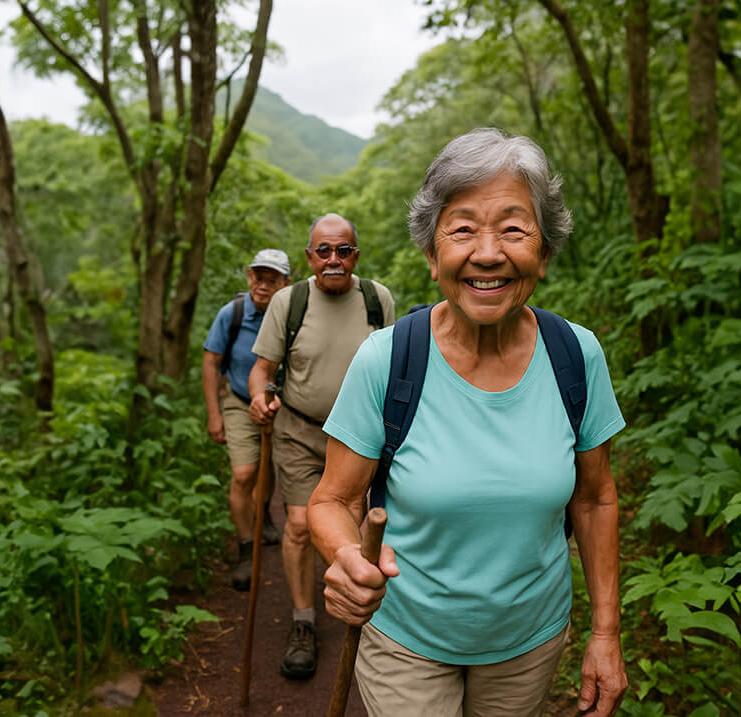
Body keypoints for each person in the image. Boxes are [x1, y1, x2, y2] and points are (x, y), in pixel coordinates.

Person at [308, 128, 629, 717]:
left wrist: (605, 634)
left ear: (545, 251)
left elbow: (595, 500)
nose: (487, 253)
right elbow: (331, 499)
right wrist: (345, 556)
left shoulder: (575, 355)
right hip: (405, 637)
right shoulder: (387, 360)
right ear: (433, 256)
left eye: (513, 228)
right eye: (462, 230)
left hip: (528, 644)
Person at [247, 214, 395, 680]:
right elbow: (262, 368)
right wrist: (256, 396)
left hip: (361, 436)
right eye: (324, 251)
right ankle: (303, 622)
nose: (334, 259)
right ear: (310, 256)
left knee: (349, 522)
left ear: (356, 254)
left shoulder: (378, 299)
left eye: (343, 250)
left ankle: (356, 606)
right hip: (299, 430)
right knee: (297, 524)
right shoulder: (289, 302)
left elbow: (396, 365)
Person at [202, 248, 290, 591]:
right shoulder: (233, 314)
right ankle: (244, 546)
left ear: (285, 283)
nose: (263, 285)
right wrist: (214, 414)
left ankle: (263, 509)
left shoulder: (291, 315)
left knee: (267, 468)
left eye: (272, 279)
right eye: (258, 277)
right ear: (249, 277)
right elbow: (211, 364)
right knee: (243, 474)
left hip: (282, 404)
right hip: (239, 400)